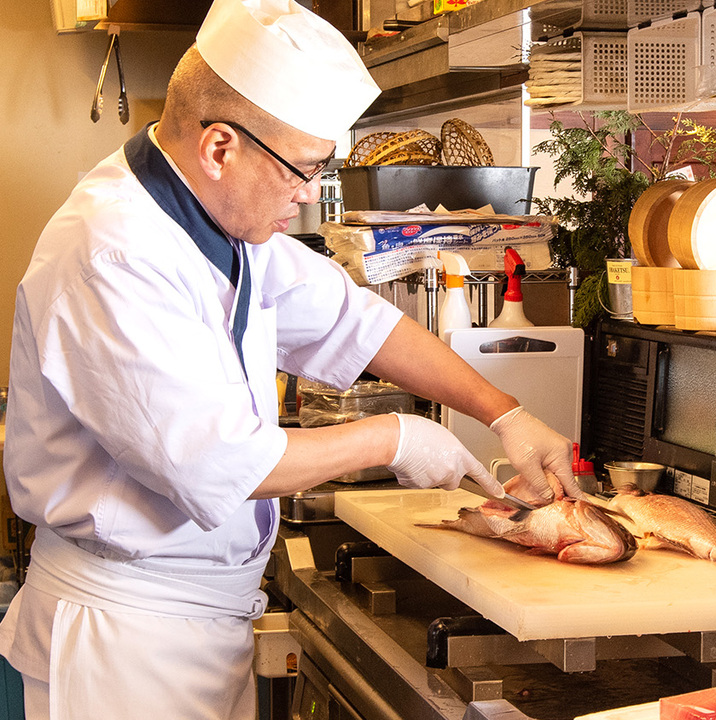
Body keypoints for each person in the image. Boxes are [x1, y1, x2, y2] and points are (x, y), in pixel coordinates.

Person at [0, 0, 578, 717]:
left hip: (199, 627)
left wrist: (506, 413)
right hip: (121, 644)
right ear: (220, 149)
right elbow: (218, 463)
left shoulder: (218, 219)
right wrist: (394, 437)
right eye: (302, 170)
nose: (308, 195)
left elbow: (355, 322)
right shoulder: (114, 251)